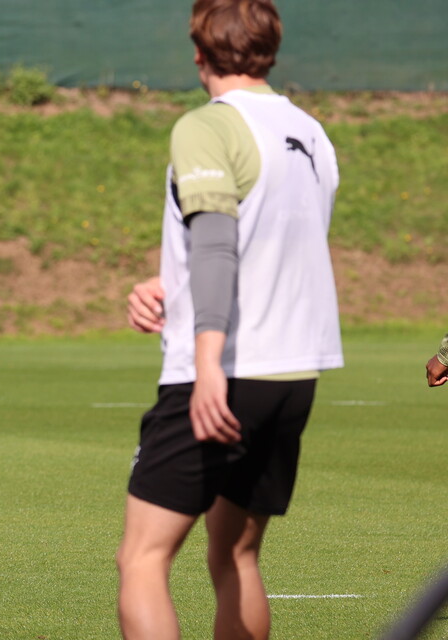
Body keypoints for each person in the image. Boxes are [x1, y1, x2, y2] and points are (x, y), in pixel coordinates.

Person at [116, 1, 343, 638]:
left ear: (198, 52)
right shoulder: (310, 133)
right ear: (271, 48)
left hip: (221, 374)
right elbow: (274, 246)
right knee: (235, 556)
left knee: (142, 558)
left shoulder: (207, 127)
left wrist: (209, 359)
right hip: (292, 375)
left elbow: (217, 242)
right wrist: (171, 284)